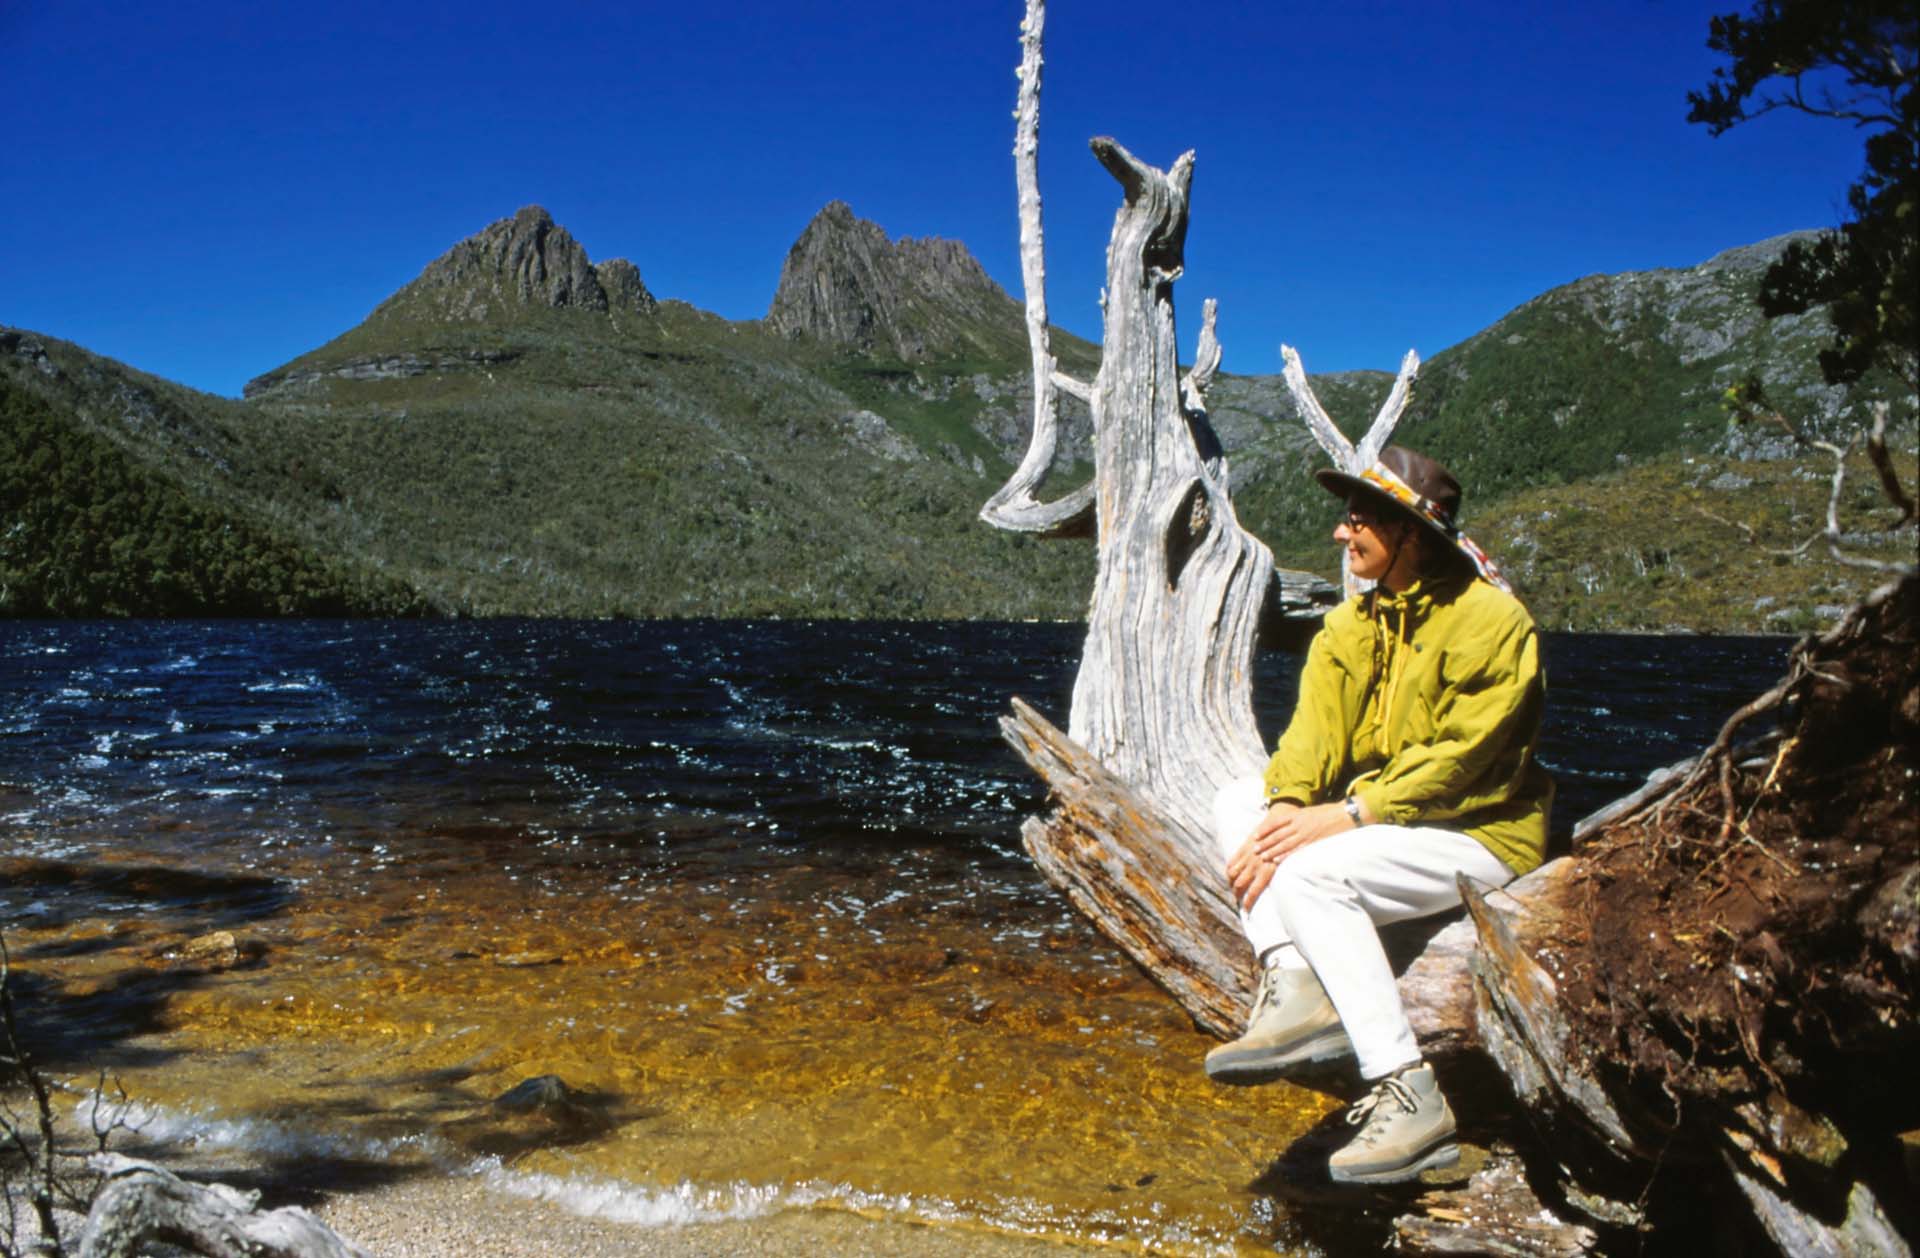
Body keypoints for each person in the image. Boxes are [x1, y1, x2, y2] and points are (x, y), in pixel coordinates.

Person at [1205, 445, 1552, 1185]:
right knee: (1238, 801)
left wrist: (1351, 815)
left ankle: (1409, 1091)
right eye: (1347, 516)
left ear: (1411, 533)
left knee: (1312, 877)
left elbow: (1469, 761)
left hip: (1478, 831)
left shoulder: (1493, 622)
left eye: (1361, 518)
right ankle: (1295, 982)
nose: (1342, 531)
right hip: (1392, 822)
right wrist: (1287, 808)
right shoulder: (1350, 627)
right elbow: (1311, 735)